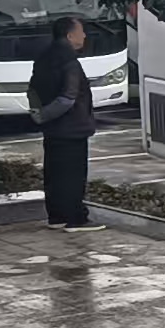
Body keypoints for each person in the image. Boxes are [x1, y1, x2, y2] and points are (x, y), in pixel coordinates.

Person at [27, 17, 100, 231]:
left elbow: (31, 90)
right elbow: (68, 98)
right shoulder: (69, 62)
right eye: (81, 31)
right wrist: (45, 115)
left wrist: (37, 114)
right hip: (73, 128)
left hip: (52, 130)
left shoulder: (43, 57)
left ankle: (56, 216)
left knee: (54, 173)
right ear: (69, 36)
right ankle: (76, 218)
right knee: (73, 175)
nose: (84, 35)